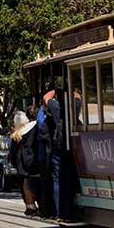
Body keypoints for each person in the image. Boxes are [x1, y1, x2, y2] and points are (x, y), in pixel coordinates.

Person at [38, 78, 64, 218]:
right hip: (67, 147)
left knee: (58, 179)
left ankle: (59, 211)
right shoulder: (73, 106)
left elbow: (46, 97)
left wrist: (56, 90)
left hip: (57, 148)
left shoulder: (56, 109)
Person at [9, 109, 40, 215]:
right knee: (31, 183)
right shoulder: (35, 128)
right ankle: (38, 205)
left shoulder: (16, 134)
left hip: (22, 164)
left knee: (26, 184)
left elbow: (13, 152)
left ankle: (30, 206)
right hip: (34, 162)